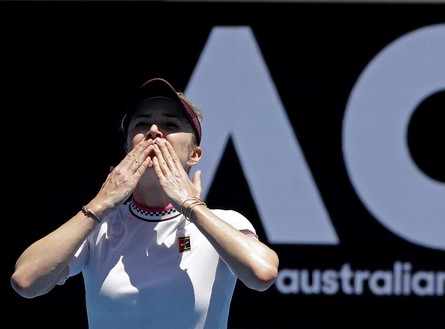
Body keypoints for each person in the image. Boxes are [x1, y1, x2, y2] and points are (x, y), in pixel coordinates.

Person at [11, 77, 280, 329]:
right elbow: (26, 281)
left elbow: (262, 273)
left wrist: (192, 207)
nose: (153, 131)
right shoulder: (97, 227)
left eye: (170, 124)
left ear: (194, 154)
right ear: (129, 147)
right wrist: (101, 204)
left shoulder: (227, 223)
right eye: (141, 123)